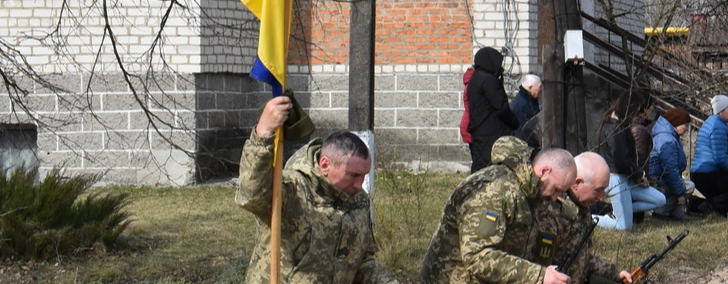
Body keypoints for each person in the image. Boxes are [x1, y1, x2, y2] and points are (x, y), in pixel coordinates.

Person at [235, 96, 396, 283]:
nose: (359, 185)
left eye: (364, 176)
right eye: (353, 175)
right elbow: (252, 196)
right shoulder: (293, 189)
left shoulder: (358, 202)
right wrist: (262, 135)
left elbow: (362, 262)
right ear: (325, 164)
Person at [420, 143, 582, 284]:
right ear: (544, 171)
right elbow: (478, 257)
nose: (555, 198)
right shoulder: (494, 192)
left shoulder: (529, 191)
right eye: (556, 190)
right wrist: (539, 276)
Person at [537, 153, 636, 284]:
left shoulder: (582, 209)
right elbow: (539, 267)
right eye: (598, 190)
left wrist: (615, 274)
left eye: (604, 190)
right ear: (577, 183)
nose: (602, 198)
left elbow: (583, 257)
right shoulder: (552, 213)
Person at [593, 98, 665, 230]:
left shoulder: (619, 125)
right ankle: (591, 219)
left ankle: (621, 211)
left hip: (625, 177)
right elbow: (620, 160)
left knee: (660, 199)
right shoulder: (615, 128)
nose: (636, 115)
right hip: (616, 178)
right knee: (624, 226)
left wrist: (638, 175)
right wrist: (639, 174)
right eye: (635, 112)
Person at [467, 47, 518, 172]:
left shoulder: (476, 78)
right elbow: (501, 106)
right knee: (489, 166)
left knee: (481, 164)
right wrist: (514, 123)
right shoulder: (488, 80)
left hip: (481, 129)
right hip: (490, 130)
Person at [647, 109, 694, 221]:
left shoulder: (668, 136)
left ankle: (663, 209)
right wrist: (679, 194)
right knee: (689, 186)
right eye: (685, 125)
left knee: (679, 216)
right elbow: (670, 170)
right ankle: (657, 210)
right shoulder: (667, 139)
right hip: (660, 182)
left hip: (662, 180)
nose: (687, 129)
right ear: (676, 123)